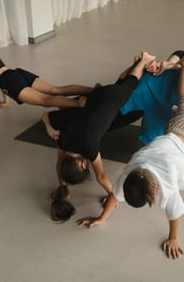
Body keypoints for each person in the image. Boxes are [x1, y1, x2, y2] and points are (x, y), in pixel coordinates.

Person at [77, 55, 184, 259]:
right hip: (180, 127)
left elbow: (174, 214)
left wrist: (173, 238)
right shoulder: (134, 168)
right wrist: (102, 217)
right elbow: (116, 193)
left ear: (155, 188)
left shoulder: (165, 184)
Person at [42, 52, 155, 198]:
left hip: (111, 100)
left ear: (83, 165)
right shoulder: (64, 139)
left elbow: (101, 177)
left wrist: (111, 196)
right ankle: (137, 64)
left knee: (131, 83)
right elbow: (58, 165)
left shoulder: (89, 147)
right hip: (96, 96)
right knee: (122, 83)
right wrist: (61, 187)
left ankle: (144, 60)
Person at [0, 34, 92, 126]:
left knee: (46, 100)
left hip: (9, 82)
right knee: (56, 89)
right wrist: (6, 101)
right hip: (17, 73)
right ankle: (93, 90)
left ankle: (78, 103)